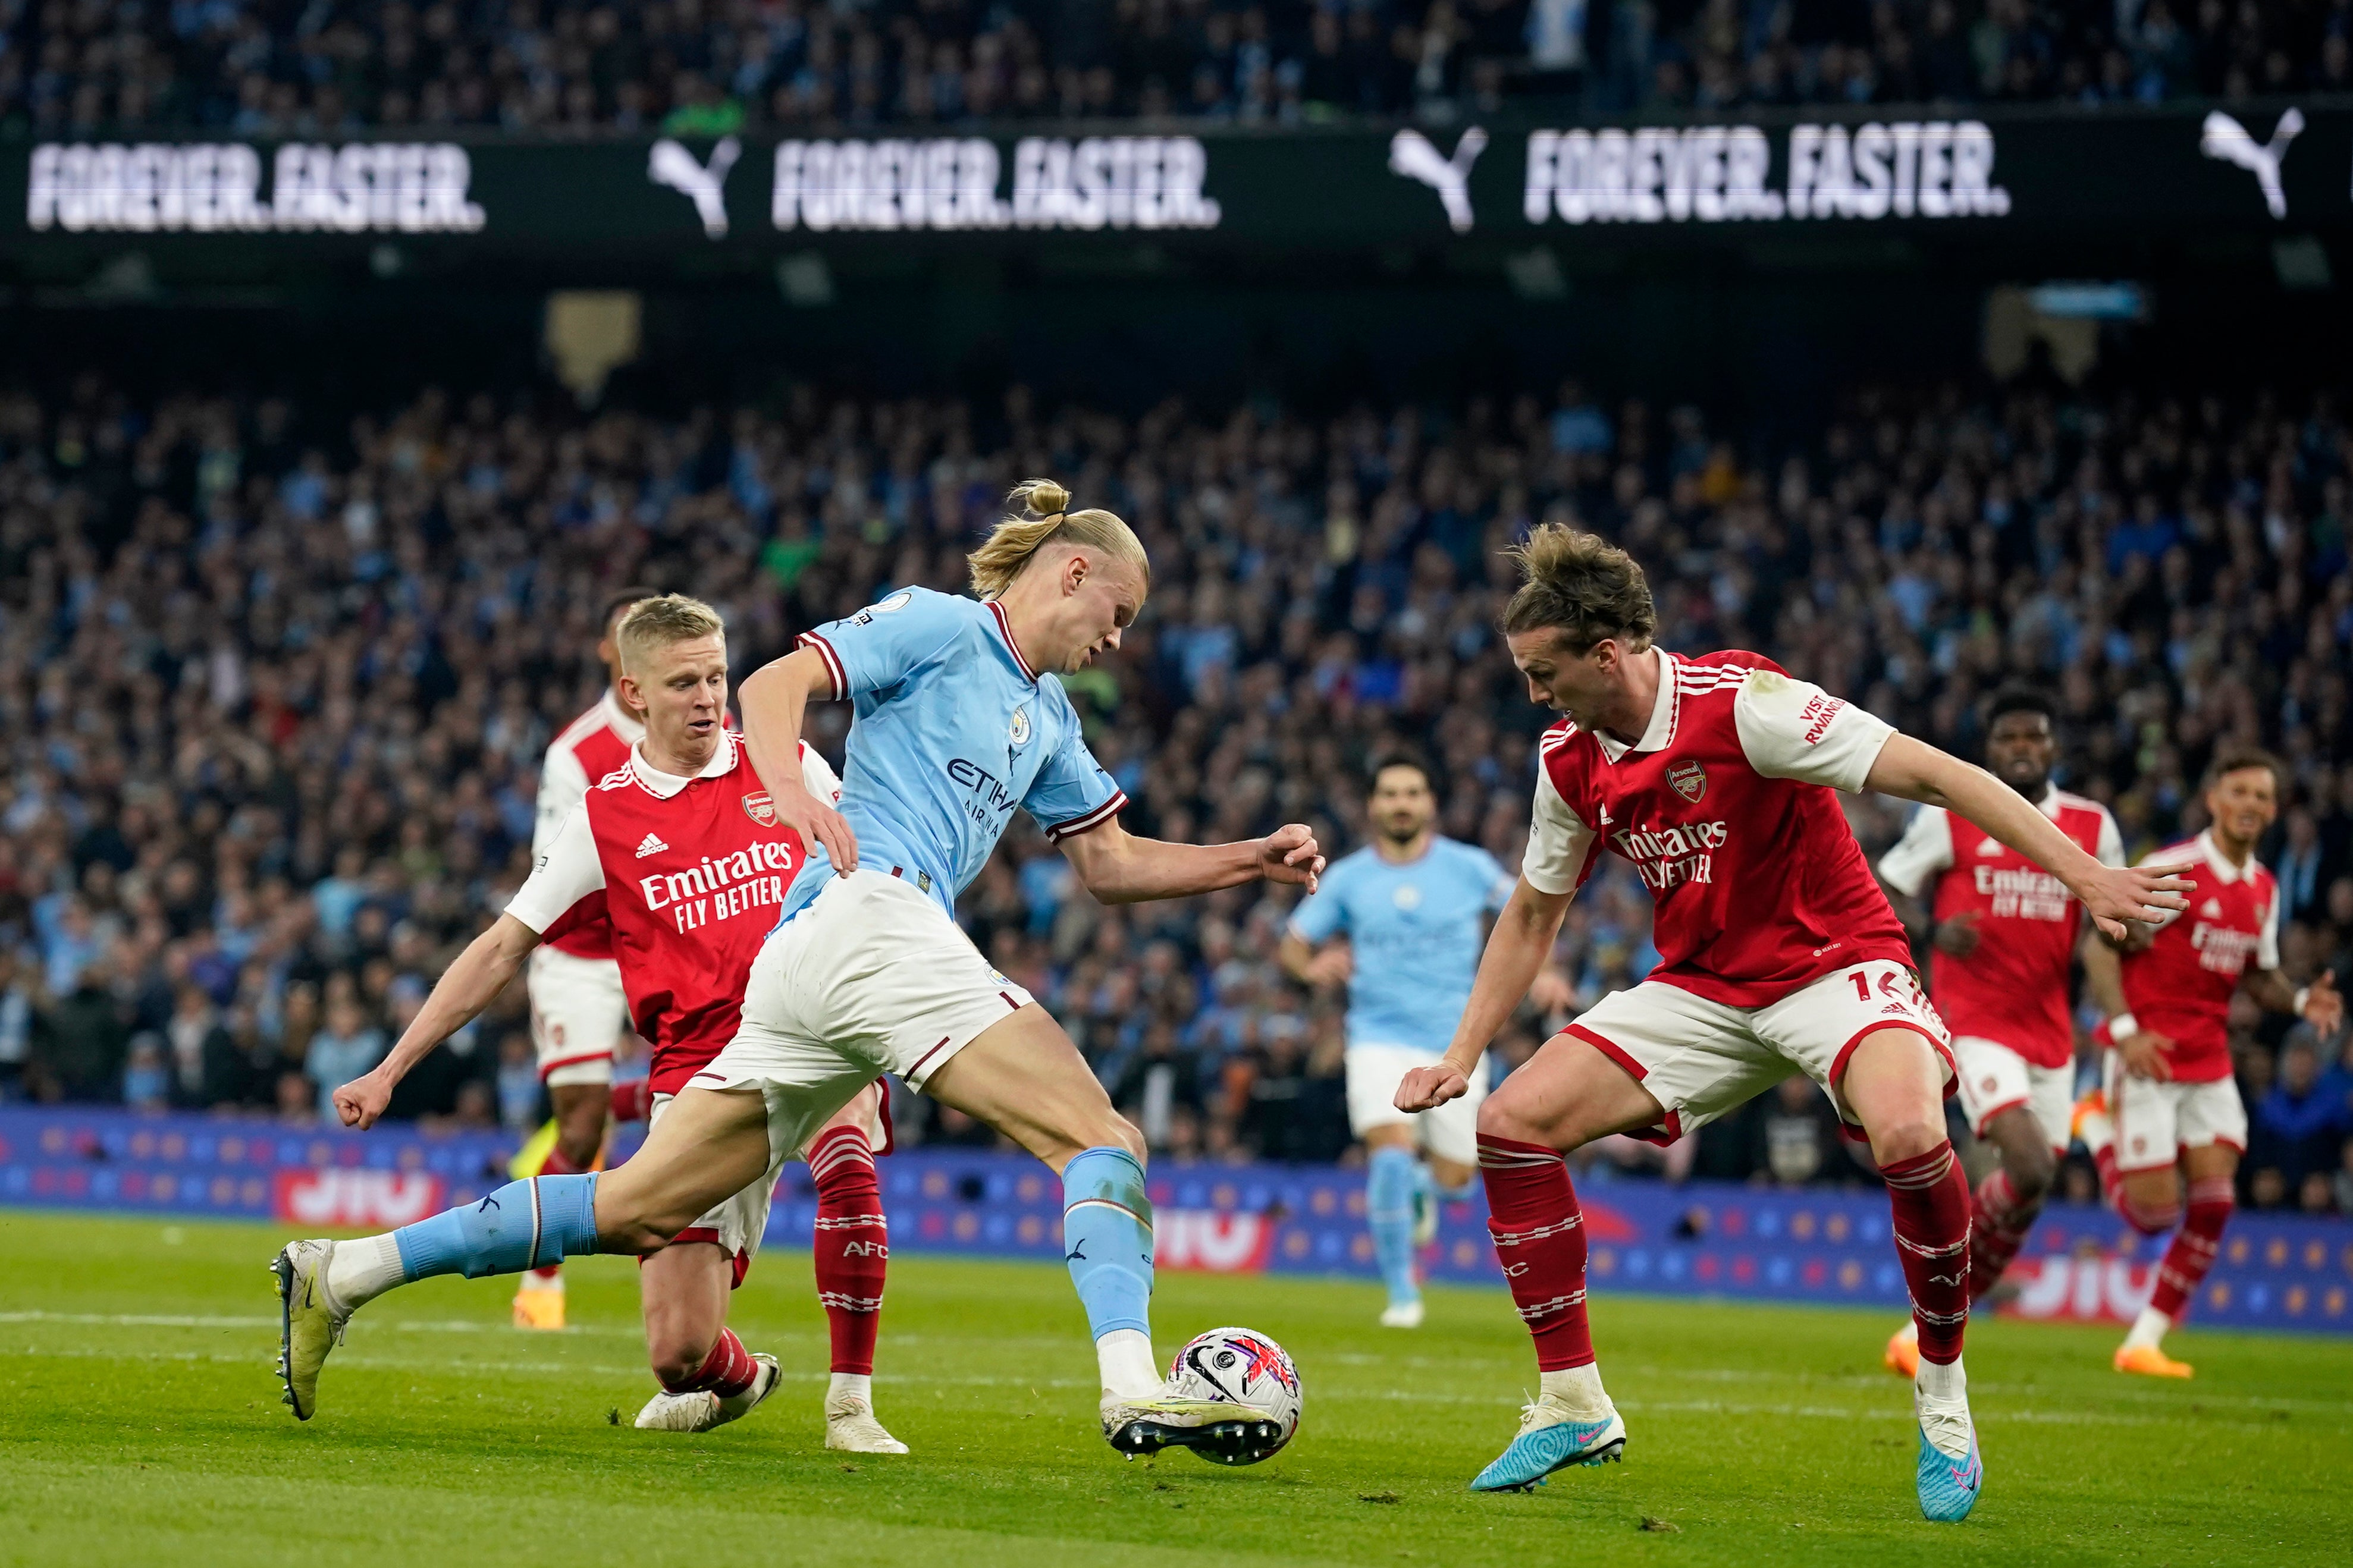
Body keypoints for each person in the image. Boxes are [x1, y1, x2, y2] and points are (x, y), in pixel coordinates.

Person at [272, 480, 1325, 1464]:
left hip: (808, 966)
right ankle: (1132, 1385)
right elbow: (781, 680)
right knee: (1105, 1136)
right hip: (871, 918)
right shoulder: (944, 624)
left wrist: (1248, 859)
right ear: (1075, 573)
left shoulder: (1049, 718)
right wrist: (788, 786)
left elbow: (1110, 862)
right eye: (1122, 612)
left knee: (638, 1204)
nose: (1117, 639)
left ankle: (347, 1270)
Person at [1392, 525, 2187, 1521]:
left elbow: (1941, 775)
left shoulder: (1747, 705)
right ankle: (1572, 1400)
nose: (1534, 693)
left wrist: (2084, 874)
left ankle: (1943, 1400)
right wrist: (1462, 1056)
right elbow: (1534, 910)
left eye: (1543, 671)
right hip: (1704, 987)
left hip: (1835, 964)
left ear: (1607, 654)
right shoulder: (1568, 759)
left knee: (1909, 1137)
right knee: (1509, 1125)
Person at [318, 595, 906, 1453]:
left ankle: (852, 1404)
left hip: (812, 1029)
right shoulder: (604, 815)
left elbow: (871, 867)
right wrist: (390, 1068)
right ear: (633, 693)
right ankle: (741, 1375)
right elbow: (497, 949)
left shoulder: (786, 765)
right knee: (677, 1354)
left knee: (847, 1145)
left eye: (717, 676)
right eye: (683, 683)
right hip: (702, 1070)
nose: (709, 697)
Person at [1873, 684, 2123, 1376]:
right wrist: (1929, 930)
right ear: (1987, 749)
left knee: (2033, 1186)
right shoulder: (1950, 816)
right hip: (1975, 1022)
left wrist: (2121, 989)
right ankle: (1937, 1304)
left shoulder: (2090, 826)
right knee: (2030, 1162)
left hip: (2050, 1030)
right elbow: (1887, 885)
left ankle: (1929, 1326)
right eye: (2007, 738)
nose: (2020, 748)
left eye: (2032, 737)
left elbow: (2105, 924)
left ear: (2052, 747)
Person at [2074, 747, 2342, 1378]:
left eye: (2261, 796)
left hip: (2209, 1061)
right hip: (2149, 1055)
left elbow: (2260, 976)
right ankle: (2090, 1122)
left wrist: (2301, 998)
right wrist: (2123, 1032)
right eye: (2239, 792)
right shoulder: (2175, 870)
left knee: (2216, 1203)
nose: (2250, 804)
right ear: (2213, 800)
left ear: (2273, 810)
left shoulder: (2262, 889)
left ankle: (2143, 1340)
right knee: (2151, 1216)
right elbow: (2099, 949)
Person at [1280, 750, 1568, 1327]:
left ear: (1429, 802)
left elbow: (1530, 914)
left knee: (1457, 1181)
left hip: (1455, 1045)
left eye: (1411, 792)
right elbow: (1292, 942)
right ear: (1371, 805)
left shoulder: (1467, 867)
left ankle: (1422, 1188)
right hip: (1376, 1039)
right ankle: (1402, 1297)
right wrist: (1310, 969)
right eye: (1389, 793)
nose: (1401, 803)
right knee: (1387, 1153)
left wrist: (1547, 973)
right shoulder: (1348, 878)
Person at [510, 585, 657, 1331]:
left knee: (700, 1105)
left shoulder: (711, 728)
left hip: (672, 941)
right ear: (609, 652)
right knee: (578, 1133)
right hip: (583, 954)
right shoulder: (577, 753)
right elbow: (556, 869)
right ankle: (540, 1281)